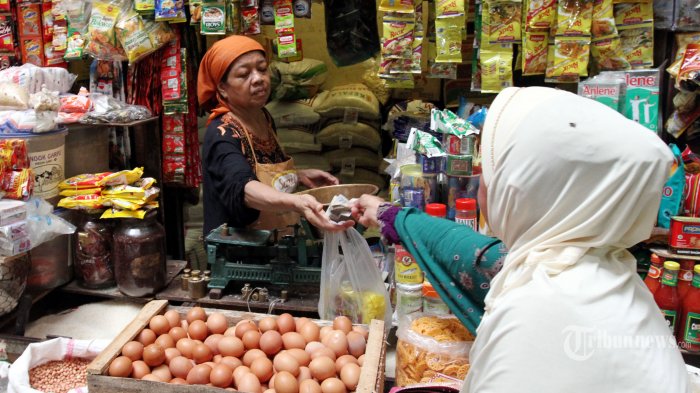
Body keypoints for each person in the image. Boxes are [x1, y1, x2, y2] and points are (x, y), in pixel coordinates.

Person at [353, 87, 689, 392]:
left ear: (527, 188)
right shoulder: (605, 273)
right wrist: (391, 216)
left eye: (491, 167)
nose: (481, 178)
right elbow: (474, 253)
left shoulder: (538, 313)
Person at [197, 35, 352, 235]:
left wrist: (297, 176)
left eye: (262, 69)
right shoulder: (222, 133)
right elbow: (243, 187)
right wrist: (297, 201)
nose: (258, 79)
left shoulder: (263, 116)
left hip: (274, 241)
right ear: (222, 88)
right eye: (244, 74)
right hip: (239, 251)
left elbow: (259, 169)